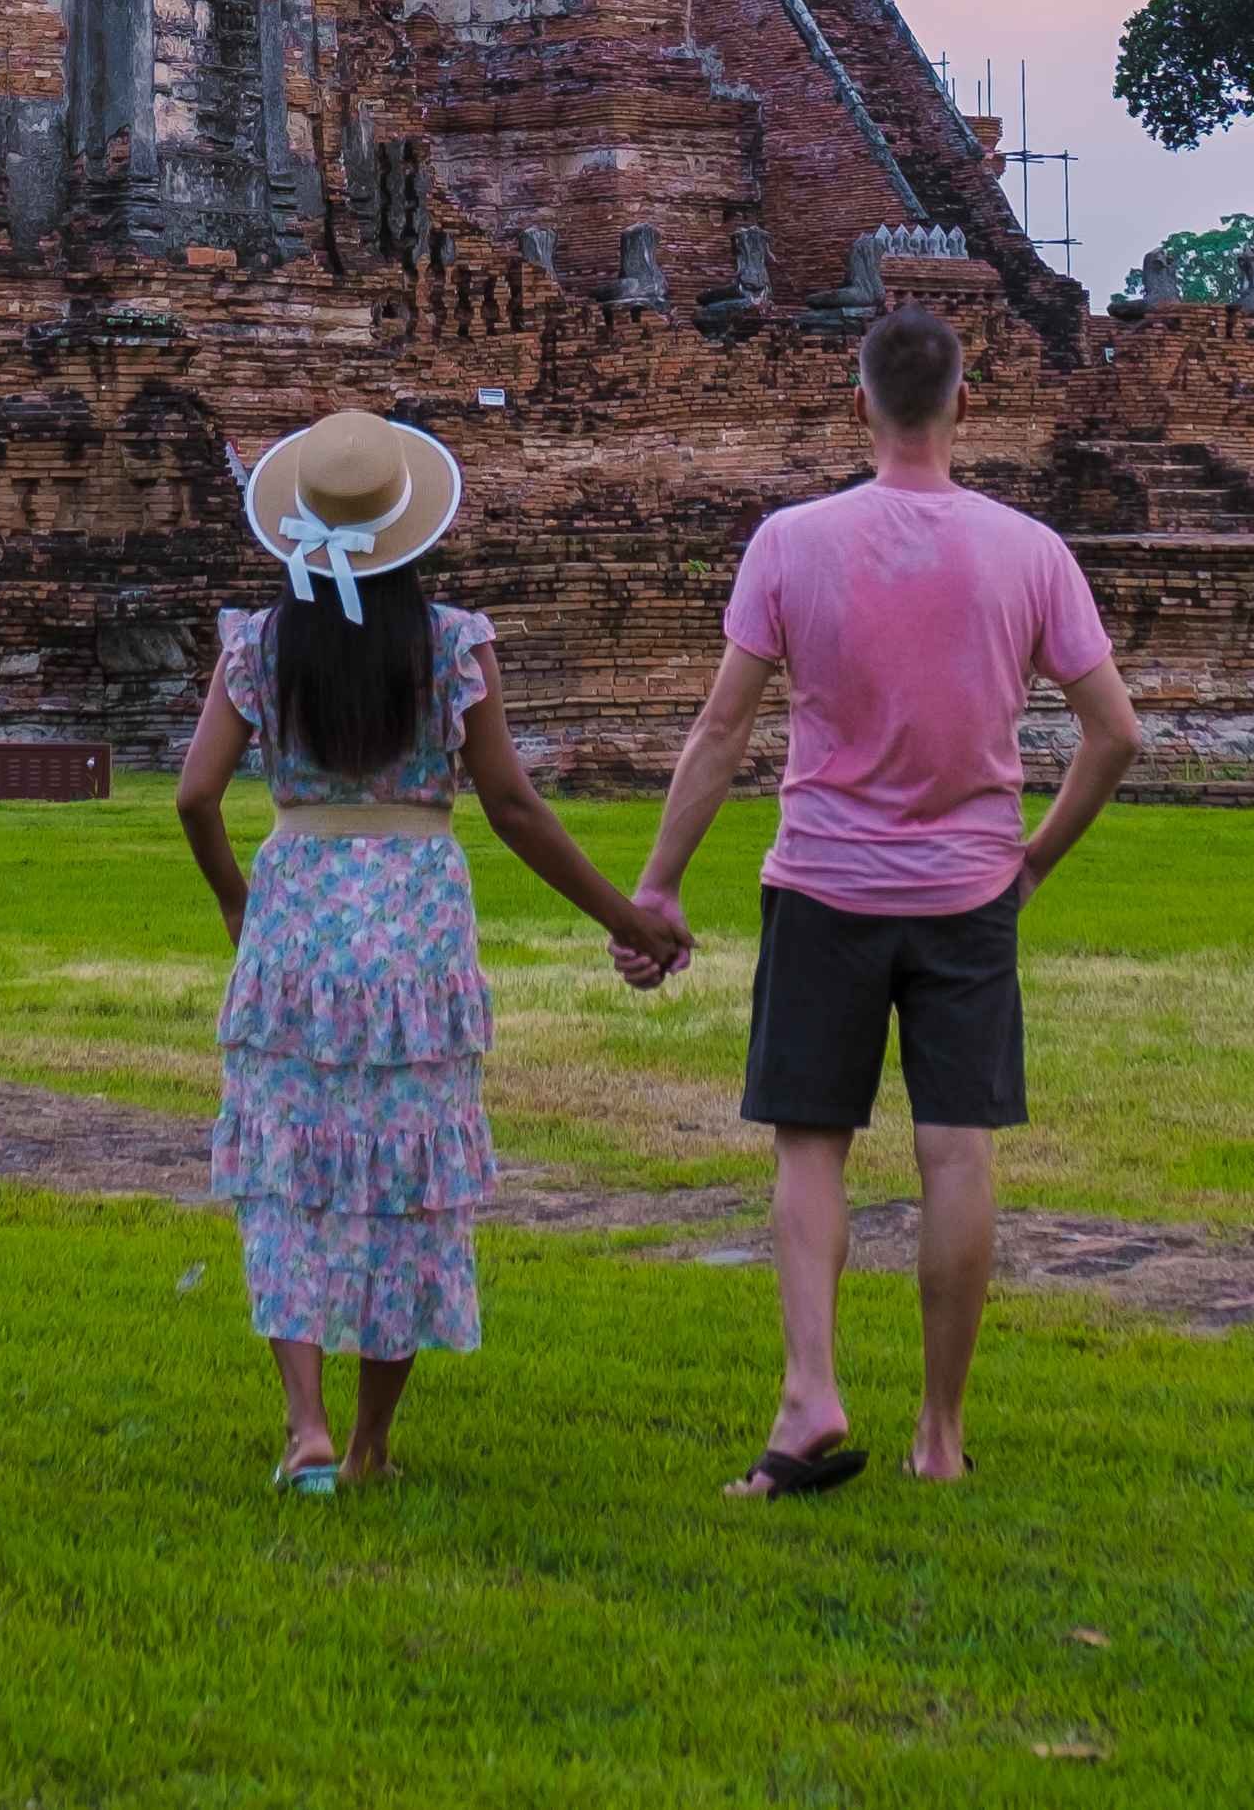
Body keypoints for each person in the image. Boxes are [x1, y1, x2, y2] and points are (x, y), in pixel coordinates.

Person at [630, 300, 1138, 1497]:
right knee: (954, 1150)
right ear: (966, 404)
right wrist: (1033, 859)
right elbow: (1113, 732)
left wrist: (657, 880)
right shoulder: (1027, 550)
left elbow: (720, 727)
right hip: (968, 889)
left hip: (825, 881)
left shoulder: (791, 540)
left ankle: (809, 1396)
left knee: (812, 1143)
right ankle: (940, 1433)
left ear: (856, 403)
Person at [175, 408, 687, 1491]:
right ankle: (368, 1443)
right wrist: (624, 916)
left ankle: (302, 1423)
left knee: (291, 1164)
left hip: (297, 919)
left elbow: (195, 793)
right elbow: (512, 804)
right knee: (404, 1172)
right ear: (413, 528)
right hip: (414, 927)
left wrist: (236, 903)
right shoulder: (452, 641)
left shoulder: (259, 645)